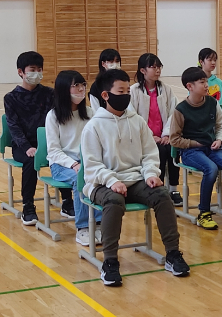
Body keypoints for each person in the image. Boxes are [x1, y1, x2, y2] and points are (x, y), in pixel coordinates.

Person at [81, 69, 189, 286]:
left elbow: (150, 153)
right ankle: (110, 261)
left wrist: (150, 174)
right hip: (101, 183)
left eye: (127, 91)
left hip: (135, 179)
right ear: (105, 95)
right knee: (114, 201)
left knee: (162, 195)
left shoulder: (137, 121)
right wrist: (112, 181)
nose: (126, 96)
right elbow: (92, 166)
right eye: (120, 91)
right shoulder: (93, 126)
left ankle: (173, 253)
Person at [170, 67, 222, 230]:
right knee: (211, 169)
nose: (206, 85)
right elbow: (174, 139)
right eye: (202, 82)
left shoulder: (212, 103)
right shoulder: (180, 110)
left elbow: (220, 125)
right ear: (190, 86)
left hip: (212, 148)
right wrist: (194, 143)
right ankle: (204, 213)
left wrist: (219, 139)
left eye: (206, 81)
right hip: (191, 152)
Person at [45, 70, 102, 246]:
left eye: (83, 85)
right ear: (64, 89)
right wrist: (73, 164)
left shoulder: (91, 113)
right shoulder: (53, 116)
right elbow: (54, 151)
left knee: (101, 177)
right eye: (75, 86)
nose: (81, 89)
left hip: (86, 162)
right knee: (81, 179)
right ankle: (83, 227)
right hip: (61, 165)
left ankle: (99, 224)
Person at [4, 51, 54, 225]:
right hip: (23, 146)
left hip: (47, 143)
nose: (37, 73)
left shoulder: (49, 94)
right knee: (31, 161)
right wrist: (27, 147)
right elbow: (14, 127)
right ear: (21, 72)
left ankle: (67, 201)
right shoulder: (11, 98)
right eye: (32, 69)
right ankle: (28, 205)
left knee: (63, 157)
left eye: (39, 69)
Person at [130, 53, 182, 207]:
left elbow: (173, 112)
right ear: (143, 70)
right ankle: (159, 187)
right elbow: (132, 116)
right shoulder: (134, 91)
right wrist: (149, 136)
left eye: (159, 67)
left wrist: (167, 134)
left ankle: (173, 189)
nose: (157, 70)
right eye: (153, 67)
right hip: (145, 137)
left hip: (164, 136)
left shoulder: (166, 89)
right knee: (159, 152)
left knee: (172, 150)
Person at [198, 48, 222, 154]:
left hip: (219, 120)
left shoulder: (219, 82)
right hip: (203, 122)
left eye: (215, 60)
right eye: (210, 60)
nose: (213, 62)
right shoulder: (196, 82)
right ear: (201, 62)